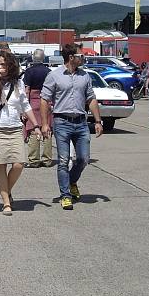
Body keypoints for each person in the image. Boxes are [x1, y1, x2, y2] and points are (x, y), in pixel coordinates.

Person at [40, 44, 102, 211]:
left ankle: (72, 181)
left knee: (83, 159)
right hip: (62, 122)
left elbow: (91, 98)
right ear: (71, 57)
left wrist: (98, 121)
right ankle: (65, 195)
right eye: (80, 55)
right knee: (63, 160)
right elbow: (44, 100)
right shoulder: (54, 76)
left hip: (81, 123)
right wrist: (45, 124)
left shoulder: (85, 76)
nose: (83, 58)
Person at [0, 50, 41, 217]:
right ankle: (6, 202)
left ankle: (6, 190)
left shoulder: (18, 83)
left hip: (16, 128)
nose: (0, 67)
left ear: (10, 66)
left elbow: (25, 105)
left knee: (19, 164)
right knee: (0, 165)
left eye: (3, 64)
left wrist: (36, 125)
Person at [23, 49, 53, 168]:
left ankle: (34, 160)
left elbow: (27, 90)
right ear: (43, 58)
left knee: (33, 129)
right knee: (47, 129)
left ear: (33, 58)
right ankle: (47, 159)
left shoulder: (29, 71)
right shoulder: (49, 72)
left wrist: (24, 107)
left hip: (33, 102)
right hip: (47, 100)